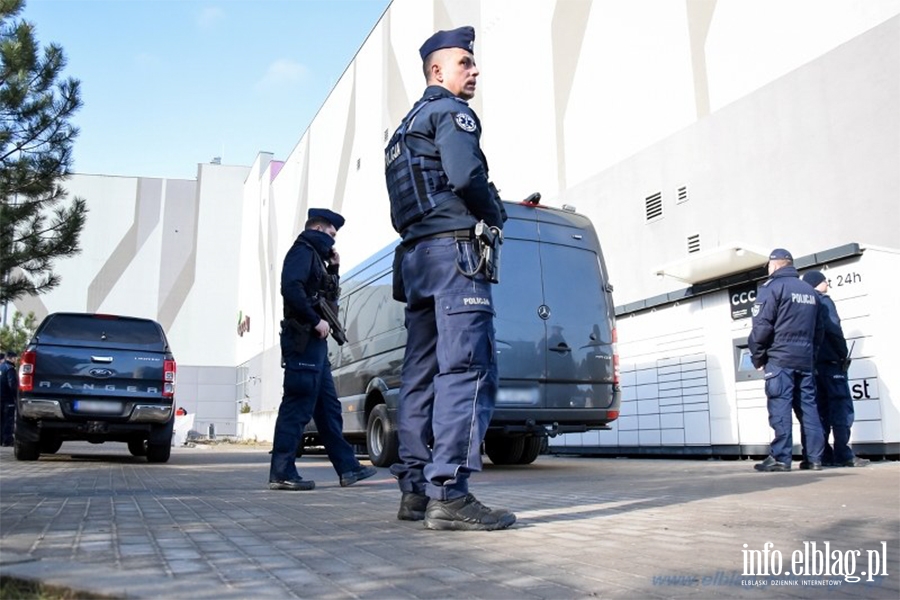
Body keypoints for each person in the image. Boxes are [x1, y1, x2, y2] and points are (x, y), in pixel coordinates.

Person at [383, 25, 514, 530]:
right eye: (466, 62)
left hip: (416, 261)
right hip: (455, 257)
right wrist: (496, 213)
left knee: (418, 376)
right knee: (466, 370)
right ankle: (450, 494)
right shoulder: (451, 113)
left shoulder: (401, 132)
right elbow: (465, 178)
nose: (475, 69)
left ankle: (415, 490)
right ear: (437, 71)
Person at [268, 208, 376, 490]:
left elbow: (327, 296)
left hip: (315, 345)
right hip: (303, 339)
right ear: (316, 229)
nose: (333, 241)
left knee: (328, 409)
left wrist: (335, 269)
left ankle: (348, 468)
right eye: (330, 234)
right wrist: (314, 319)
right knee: (297, 406)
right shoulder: (302, 252)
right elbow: (291, 288)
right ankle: (282, 473)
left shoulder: (316, 257)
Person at [748, 249, 826, 472]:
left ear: (774, 265)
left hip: (780, 359)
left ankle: (781, 458)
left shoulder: (772, 288)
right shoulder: (809, 291)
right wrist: (811, 355)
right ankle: (814, 459)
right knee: (809, 408)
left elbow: (761, 327)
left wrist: (758, 356)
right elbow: (819, 329)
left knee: (780, 406)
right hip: (805, 360)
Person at [801, 270, 869, 468]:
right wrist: (842, 353)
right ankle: (843, 454)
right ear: (817, 283)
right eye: (825, 281)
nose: (828, 284)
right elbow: (834, 328)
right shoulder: (824, 301)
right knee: (841, 408)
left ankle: (823, 454)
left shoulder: (804, 303)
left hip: (813, 366)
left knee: (820, 410)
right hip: (831, 363)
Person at [0, 350, 18, 447]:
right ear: (11, 358)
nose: (16, 360)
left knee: (1, 420)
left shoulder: (1, 367)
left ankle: (1, 439)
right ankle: (7, 440)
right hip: (8, 399)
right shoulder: (10, 369)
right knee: (8, 420)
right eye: (15, 358)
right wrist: (16, 396)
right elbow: (12, 384)